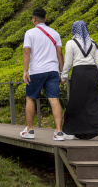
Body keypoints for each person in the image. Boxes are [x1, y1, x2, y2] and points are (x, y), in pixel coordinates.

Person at [61, 21, 98, 141]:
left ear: (74, 30)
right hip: (93, 74)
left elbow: (68, 62)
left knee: (76, 103)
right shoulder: (93, 43)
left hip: (79, 75)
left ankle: (71, 132)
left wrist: (63, 76)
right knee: (95, 103)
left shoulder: (70, 43)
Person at [21, 8, 65, 141]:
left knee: (30, 98)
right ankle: (58, 132)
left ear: (34, 19)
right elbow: (59, 54)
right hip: (52, 71)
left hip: (37, 71)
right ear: (45, 19)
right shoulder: (55, 33)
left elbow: (27, 52)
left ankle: (30, 130)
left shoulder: (29, 33)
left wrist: (25, 71)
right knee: (54, 99)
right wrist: (62, 73)